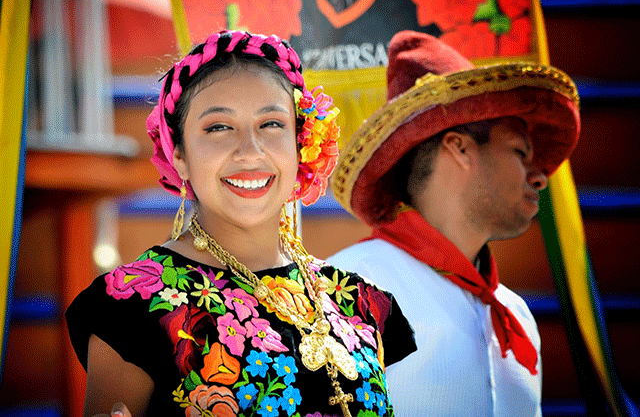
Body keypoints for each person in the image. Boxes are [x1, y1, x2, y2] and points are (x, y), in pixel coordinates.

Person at [66, 30, 416, 417]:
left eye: (271, 124)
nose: (251, 152)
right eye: (218, 127)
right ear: (178, 154)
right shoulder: (131, 308)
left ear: (300, 144)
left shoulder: (362, 302)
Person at [328, 30, 580, 417]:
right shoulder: (348, 289)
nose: (539, 176)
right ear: (459, 148)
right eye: (519, 152)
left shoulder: (517, 316)